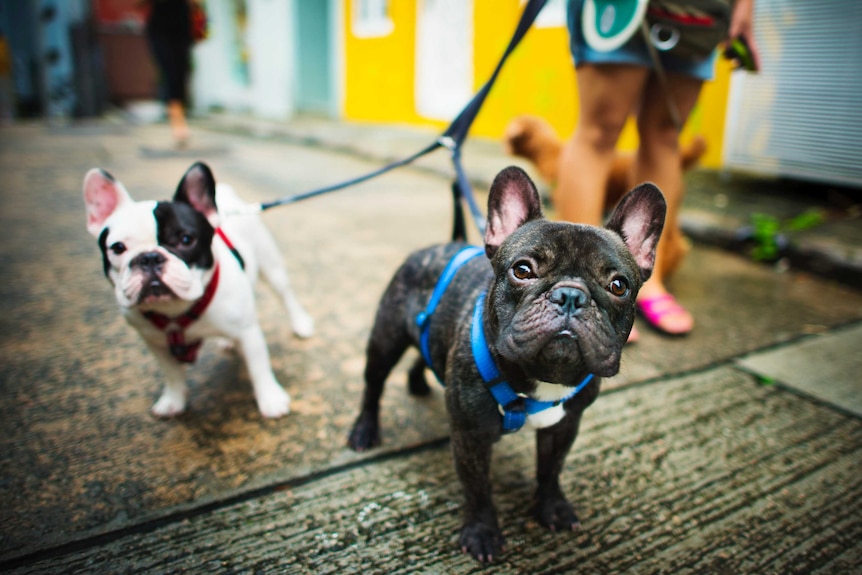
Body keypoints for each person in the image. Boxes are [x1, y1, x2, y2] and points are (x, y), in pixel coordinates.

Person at [556, 0, 760, 338]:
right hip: (621, 8)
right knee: (599, 130)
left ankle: (646, 282)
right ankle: (577, 283)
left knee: (666, 135)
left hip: (700, 11)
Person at [141, 0, 195, 147]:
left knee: (181, 72)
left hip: (182, 23)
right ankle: (177, 121)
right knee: (170, 71)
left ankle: (179, 114)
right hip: (160, 26)